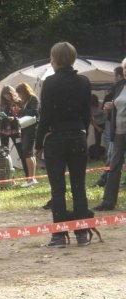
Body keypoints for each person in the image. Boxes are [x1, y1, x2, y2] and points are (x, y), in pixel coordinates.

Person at [35, 42, 93, 247]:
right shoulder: (84, 82)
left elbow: (45, 115)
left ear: (55, 59)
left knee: (57, 189)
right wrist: (82, 132)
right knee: (79, 187)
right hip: (78, 136)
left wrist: (37, 142)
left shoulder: (50, 82)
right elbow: (87, 114)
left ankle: (59, 235)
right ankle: (82, 232)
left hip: (56, 139)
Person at [94, 57, 126, 212]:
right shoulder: (120, 86)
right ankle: (108, 202)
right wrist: (110, 106)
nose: (125, 71)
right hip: (120, 132)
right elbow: (119, 103)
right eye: (124, 69)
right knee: (114, 167)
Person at [16, 82, 40, 187]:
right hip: (25, 128)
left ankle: (31, 179)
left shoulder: (33, 99)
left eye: (20, 93)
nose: (19, 95)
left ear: (25, 91)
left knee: (27, 153)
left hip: (31, 129)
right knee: (29, 153)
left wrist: (23, 112)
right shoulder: (25, 101)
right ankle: (32, 178)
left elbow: (34, 112)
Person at [0, 85, 23, 172]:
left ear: (12, 93)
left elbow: (22, 116)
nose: (6, 96)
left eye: (8, 94)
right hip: (3, 131)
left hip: (15, 131)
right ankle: (6, 173)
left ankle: (28, 175)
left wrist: (14, 119)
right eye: (4, 94)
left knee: (21, 151)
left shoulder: (18, 102)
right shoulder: (2, 104)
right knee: (4, 152)